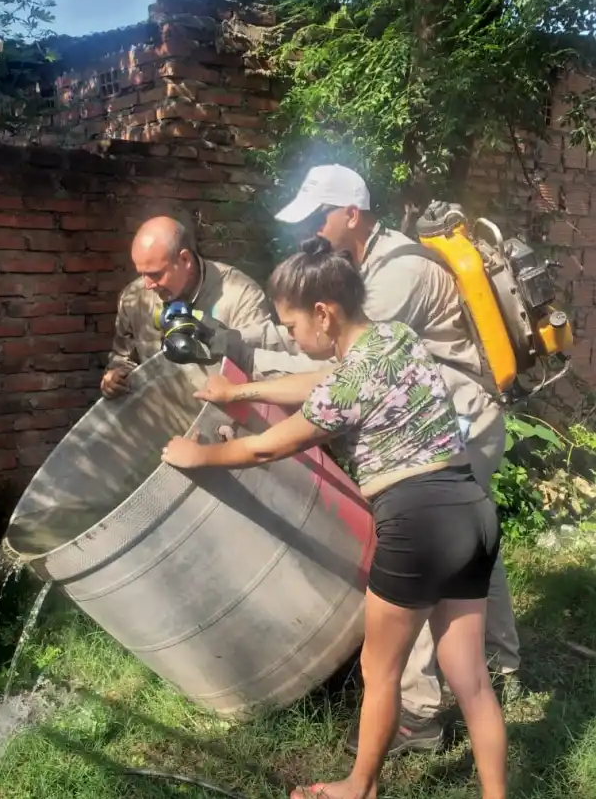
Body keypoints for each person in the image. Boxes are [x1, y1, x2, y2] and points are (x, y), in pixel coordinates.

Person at [162, 237, 508, 799]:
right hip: (470, 510)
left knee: (381, 670)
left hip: (416, 523)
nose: (293, 338)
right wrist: (241, 389)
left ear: (324, 314)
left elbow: (264, 448)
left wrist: (197, 454)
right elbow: (321, 386)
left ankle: (361, 786)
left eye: (293, 327)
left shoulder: (349, 381)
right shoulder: (396, 338)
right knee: (468, 677)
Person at [235, 165, 520, 754]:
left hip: (453, 427)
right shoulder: (366, 269)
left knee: (418, 570)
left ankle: (417, 713)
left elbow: (339, 370)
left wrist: (249, 373)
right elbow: (305, 339)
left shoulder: (400, 274)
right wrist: (247, 349)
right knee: (466, 550)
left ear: (351, 215)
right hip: (455, 426)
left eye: (319, 217)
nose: (310, 231)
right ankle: (500, 665)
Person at [100, 215, 273, 399]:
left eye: (155, 274)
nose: (147, 284)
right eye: (142, 274)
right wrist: (114, 379)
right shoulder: (134, 298)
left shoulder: (241, 296)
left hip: (225, 415)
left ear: (185, 260)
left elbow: (264, 372)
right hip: (162, 416)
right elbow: (123, 359)